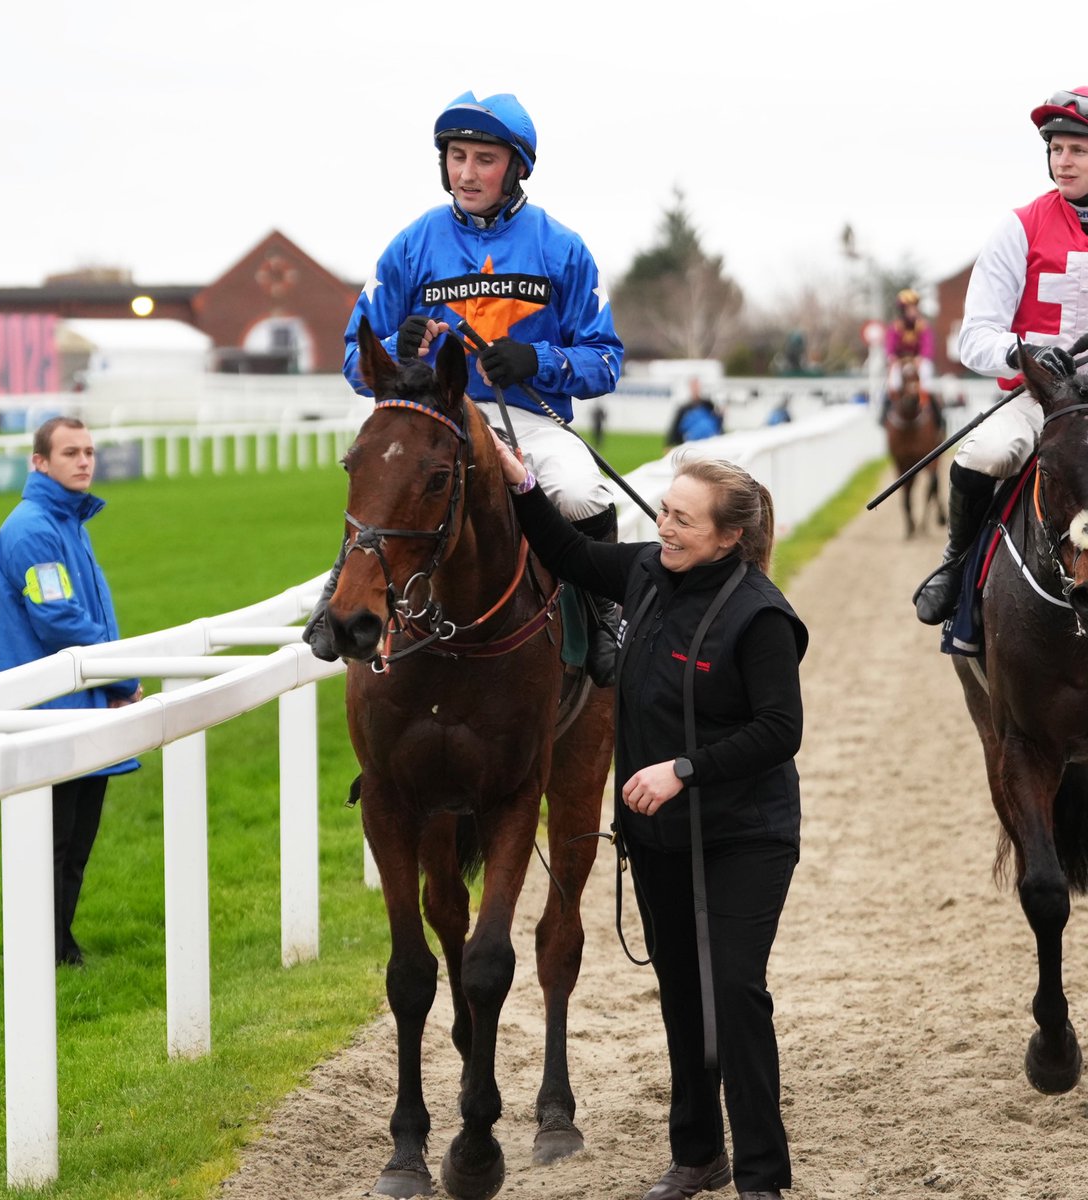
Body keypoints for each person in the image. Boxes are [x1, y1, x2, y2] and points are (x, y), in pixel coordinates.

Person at [492, 431, 807, 1200]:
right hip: (660, 836)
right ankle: (698, 1154)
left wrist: (682, 770)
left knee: (733, 993)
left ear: (731, 538)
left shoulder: (761, 616)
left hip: (744, 836)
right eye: (664, 511)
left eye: (683, 521)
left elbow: (780, 731)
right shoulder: (642, 570)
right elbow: (565, 553)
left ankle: (763, 1178)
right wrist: (521, 480)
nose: (664, 527)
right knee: (680, 997)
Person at [303, 90, 625, 685]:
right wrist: (397, 351)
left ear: (516, 167)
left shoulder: (562, 249)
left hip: (527, 422)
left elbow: (606, 362)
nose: (467, 173)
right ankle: (338, 596)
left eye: (484, 159)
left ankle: (606, 615)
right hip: (433, 416)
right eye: (457, 157)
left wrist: (538, 359)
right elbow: (355, 357)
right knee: (386, 477)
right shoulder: (412, 244)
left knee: (581, 493)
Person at [914, 87, 1088, 624]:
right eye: (1056, 149)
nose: (1063, 160)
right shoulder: (1019, 227)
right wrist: (1026, 353)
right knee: (984, 455)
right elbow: (974, 338)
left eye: (1077, 150)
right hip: (1039, 401)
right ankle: (956, 563)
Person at [0, 417, 143, 966]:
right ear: (39, 463)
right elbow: (60, 622)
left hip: (80, 703)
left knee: (74, 845)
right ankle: (48, 951)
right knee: (54, 844)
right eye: (70, 452)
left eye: (89, 451)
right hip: (48, 712)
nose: (83, 461)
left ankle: (57, 946)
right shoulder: (32, 529)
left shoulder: (68, 521)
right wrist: (124, 679)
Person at [879, 288, 936, 426]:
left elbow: (928, 344)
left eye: (914, 307)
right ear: (903, 310)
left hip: (918, 361)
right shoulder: (895, 327)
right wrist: (892, 357)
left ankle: (931, 409)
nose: (913, 311)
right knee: (894, 381)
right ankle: (888, 410)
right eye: (910, 308)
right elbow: (890, 346)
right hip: (900, 361)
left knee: (926, 375)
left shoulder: (923, 326)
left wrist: (922, 357)